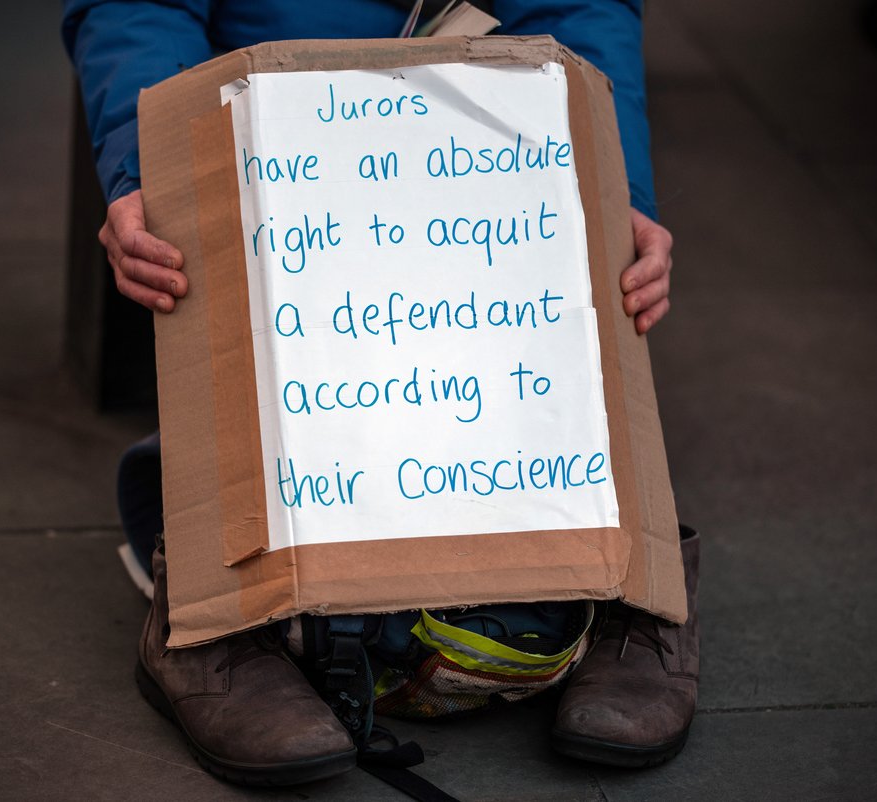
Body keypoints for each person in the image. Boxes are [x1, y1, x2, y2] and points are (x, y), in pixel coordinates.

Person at [62, 0, 696, 787]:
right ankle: (210, 608)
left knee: (569, 297)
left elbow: (581, 5)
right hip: (266, 135)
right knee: (280, 363)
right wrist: (150, 164)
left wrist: (616, 180)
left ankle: (633, 588)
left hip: (492, 127)